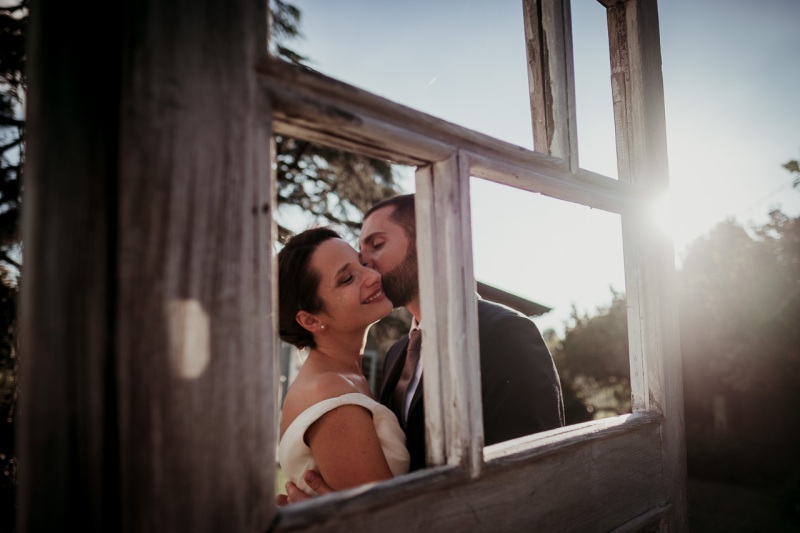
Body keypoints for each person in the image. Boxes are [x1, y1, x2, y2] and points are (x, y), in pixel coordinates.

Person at [282, 194, 565, 501]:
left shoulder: (506, 333)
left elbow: (533, 475)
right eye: (357, 266)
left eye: (376, 246)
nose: (370, 269)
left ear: (429, 240)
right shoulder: (395, 355)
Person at [275, 227, 410, 502]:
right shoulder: (332, 394)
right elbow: (390, 521)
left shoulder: (345, 377)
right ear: (310, 320)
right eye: (347, 278)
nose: (373, 276)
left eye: (362, 264)